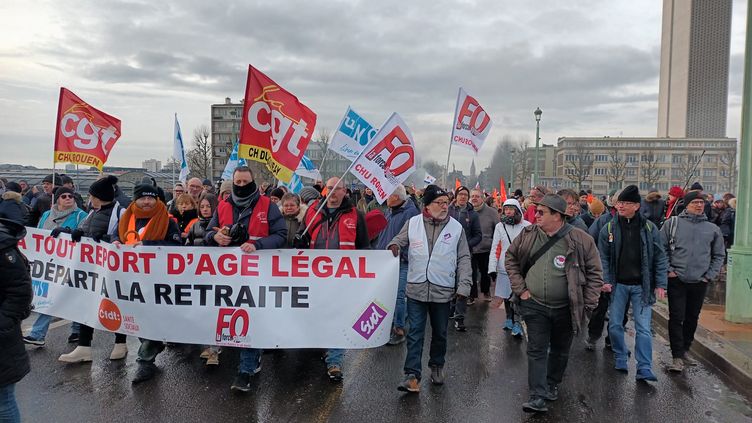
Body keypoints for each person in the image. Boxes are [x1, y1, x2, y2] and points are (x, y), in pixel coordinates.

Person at [506, 194, 603, 413]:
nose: (536, 215)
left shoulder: (581, 239)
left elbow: (596, 273)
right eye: (536, 211)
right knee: (536, 349)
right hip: (534, 305)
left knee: (560, 350)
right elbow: (510, 259)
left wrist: (588, 304)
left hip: (566, 308)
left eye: (541, 212)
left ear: (558, 216)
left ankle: (551, 383)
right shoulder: (528, 234)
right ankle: (537, 395)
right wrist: (521, 290)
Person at [204, 166, 286, 390]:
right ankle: (240, 355)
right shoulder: (223, 205)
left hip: (256, 275)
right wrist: (215, 236)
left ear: (253, 182)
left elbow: (281, 235)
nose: (241, 186)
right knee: (228, 316)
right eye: (237, 182)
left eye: (245, 182)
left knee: (250, 318)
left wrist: (258, 245)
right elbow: (208, 232)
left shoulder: (268, 206)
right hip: (228, 275)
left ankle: (246, 370)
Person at [388, 185, 472, 393]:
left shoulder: (456, 227)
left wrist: (464, 285)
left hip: (442, 290)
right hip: (416, 288)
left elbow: (463, 257)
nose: (445, 207)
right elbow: (398, 240)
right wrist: (394, 246)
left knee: (440, 333)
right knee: (415, 332)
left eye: (446, 203)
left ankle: (436, 365)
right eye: (440, 203)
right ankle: (412, 375)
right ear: (427, 205)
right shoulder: (413, 223)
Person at [297, 177, 369, 382]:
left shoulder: (356, 215)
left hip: (343, 279)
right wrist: (299, 240)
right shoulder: (312, 213)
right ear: (324, 190)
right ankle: (323, 347)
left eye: (338, 189)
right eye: (330, 188)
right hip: (315, 277)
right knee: (318, 314)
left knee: (339, 317)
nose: (333, 193)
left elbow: (364, 248)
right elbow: (302, 239)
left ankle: (335, 360)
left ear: (345, 191)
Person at [113, 184, 183, 384]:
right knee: (139, 318)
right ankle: (151, 346)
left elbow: (176, 246)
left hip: (157, 281)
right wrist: (115, 241)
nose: (146, 202)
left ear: (157, 200)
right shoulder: (126, 218)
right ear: (135, 200)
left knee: (151, 318)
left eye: (150, 198)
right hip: (131, 280)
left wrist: (148, 246)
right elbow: (117, 235)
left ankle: (145, 361)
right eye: (142, 198)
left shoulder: (168, 221)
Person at [597, 185, 667, 382]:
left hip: (642, 287)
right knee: (615, 325)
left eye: (626, 203)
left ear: (637, 206)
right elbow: (603, 257)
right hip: (618, 285)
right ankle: (620, 355)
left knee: (643, 328)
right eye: (619, 202)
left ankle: (644, 367)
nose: (621, 206)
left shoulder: (649, 229)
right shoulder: (608, 228)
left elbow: (660, 257)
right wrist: (606, 280)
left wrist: (660, 283)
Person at [58, 176, 129, 363]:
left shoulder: (121, 213)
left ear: (99, 196)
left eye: (92, 195)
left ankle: (120, 342)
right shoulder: (92, 213)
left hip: (112, 271)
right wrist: (68, 232)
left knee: (113, 305)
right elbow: (84, 230)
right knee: (86, 304)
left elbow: (125, 238)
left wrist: (106, 239)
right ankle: (83, 346)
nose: (89, 198)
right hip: (91, 268)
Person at [663, 191, 725, 373]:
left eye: (701, 202)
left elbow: (719, 254)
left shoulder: (712, 229)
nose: (699, 205)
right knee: (676, 317)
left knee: (692, 317)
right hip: (677, 280)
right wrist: (669, 270)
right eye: (695, 202)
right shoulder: (672, 224)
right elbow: (661, 248)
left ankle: (684, 349)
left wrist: (709, 275)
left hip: (700, 281)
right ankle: (676, 356)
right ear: (686, 204)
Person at [23, 186, 88, 347]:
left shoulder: (81, 215)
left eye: (70, 196)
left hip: (72, 262)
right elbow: (39, 235)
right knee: (52, 296)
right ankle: (38, 334)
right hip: (49, 264)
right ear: (57, 199)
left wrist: (67, 232)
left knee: (73, 295)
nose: (68, 198)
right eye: (64, 196)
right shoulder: (46, 214)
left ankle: (77, 329)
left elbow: (85, 235)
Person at [375, 184, 420, 345]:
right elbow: (384, 235)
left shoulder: (411, 214)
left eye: (388, 195)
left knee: (399, 296)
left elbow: (412, 238)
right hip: (386, 261)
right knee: (386, 295)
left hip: (402, 261)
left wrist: (404, 254)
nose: (386, 198)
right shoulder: (389, 212)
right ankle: (390, 323)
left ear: (396, 197)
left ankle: (399, 329)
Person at [0, 216, 32, 423]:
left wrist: (3, 322)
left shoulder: (2, 245)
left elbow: (20, 290)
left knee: (2, 400)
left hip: (2, 338)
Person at [488, 198, 531, 337]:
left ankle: (518, 322)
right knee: (506, 295)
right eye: (506, 209)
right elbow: (495, 247)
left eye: (511, 209)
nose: (508, 212)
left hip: (520, 268)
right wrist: (492, 268)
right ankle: (509, 319)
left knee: (518, 296)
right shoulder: (500, 227)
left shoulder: (527, 226)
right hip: (503, 267)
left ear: (517, 210)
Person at [447, 186, 481, 331]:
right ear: (456, 196)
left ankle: (459, 317)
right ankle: (450, 309)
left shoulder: (472, 215)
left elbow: (478, 235)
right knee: (449, 283)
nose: (463, 197)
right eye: (460, 194)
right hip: (448, 254)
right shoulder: (448, 211)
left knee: (463, 284)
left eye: (465, 195)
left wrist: (466, 245)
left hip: (466, 256)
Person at [470, 188, 499, 302]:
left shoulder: (492, 212)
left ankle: (486, 291)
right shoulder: (467, 211)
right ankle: (471, 295)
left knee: (485, 271)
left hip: (486, 248)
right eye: (472, 196)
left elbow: (497, 229)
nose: (474, 198)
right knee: (471, 273)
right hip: (471, 247)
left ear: (482, 198)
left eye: (477, 196)